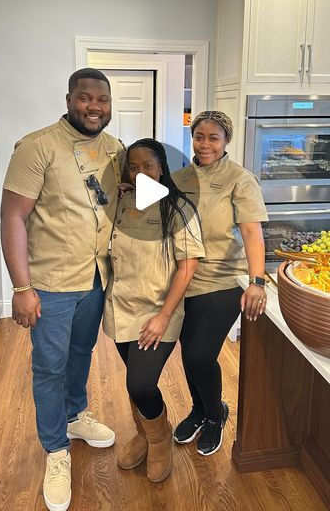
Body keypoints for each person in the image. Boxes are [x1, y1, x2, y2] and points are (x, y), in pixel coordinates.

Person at [0, 67, 126, 511]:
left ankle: (74, 416)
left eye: (102, 100)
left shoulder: (114, 149)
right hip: (51, 283)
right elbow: (12, 217)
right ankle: (56, 449)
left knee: (80, 353)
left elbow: (130, 200)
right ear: (70, 98)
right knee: (49, 366)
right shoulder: (37, 147)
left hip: (95, 277)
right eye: (86, 98)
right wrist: (20, 287)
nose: (94, 107)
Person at [102, 138, 205, 483]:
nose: (141, 172)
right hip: (121, 307)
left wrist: (162, 317)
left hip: (158, 313)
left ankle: (159, 439)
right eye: (133, 166)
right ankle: (143, 435)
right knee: (135, 385)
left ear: (162, 166)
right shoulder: (121, 203)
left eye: (148, 165)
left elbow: (187, 268)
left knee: (142, 383)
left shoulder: (178, 209)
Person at [172, 110, 268, 457]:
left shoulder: (240, 180)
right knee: (188, 352)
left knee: (200, 355)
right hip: (184, 277)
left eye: (214, 137)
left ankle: (215, 414)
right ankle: (199, 410)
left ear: (226, 140)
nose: (205, 144)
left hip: (225, 278)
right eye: (199, 136)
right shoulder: (180, 177)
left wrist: (257, 282)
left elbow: (252, 233)